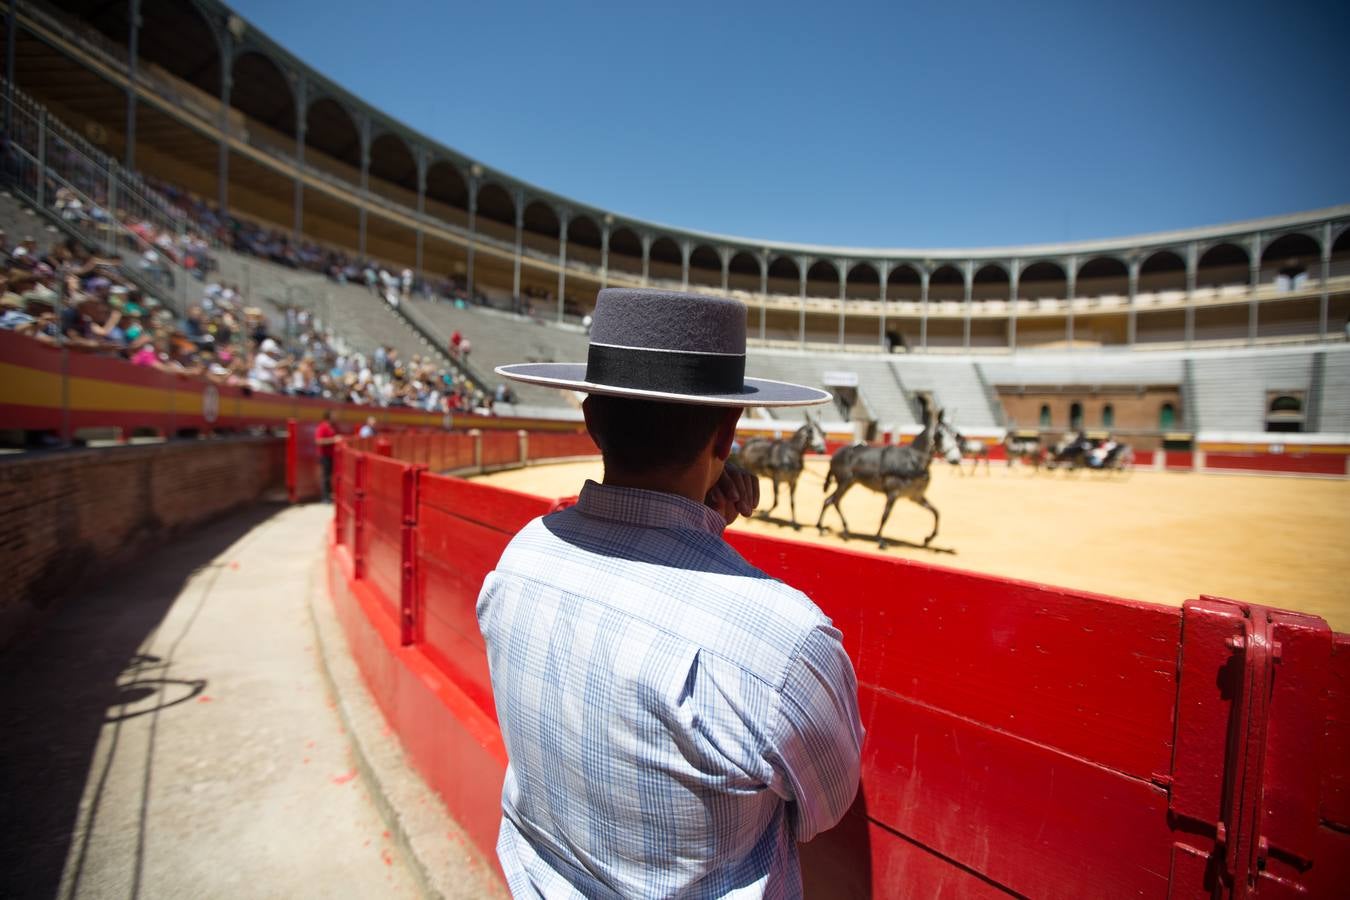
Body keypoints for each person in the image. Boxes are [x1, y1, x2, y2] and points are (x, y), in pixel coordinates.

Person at [478, 288, 862, 898]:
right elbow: (827, 806)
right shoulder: (784, 641)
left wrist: (695, 501)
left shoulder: (520, 556)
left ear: (591, 419)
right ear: (727, 433)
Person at [314, 410, 338, 502]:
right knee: (325, 477)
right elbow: (318, 441)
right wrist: (333, 440)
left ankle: (328, 496)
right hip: (324, 456)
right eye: (333, 415)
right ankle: (325, 497)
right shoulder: (322, 427)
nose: (335, 417)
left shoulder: (331, 427)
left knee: (329, 477)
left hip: (331, 455)